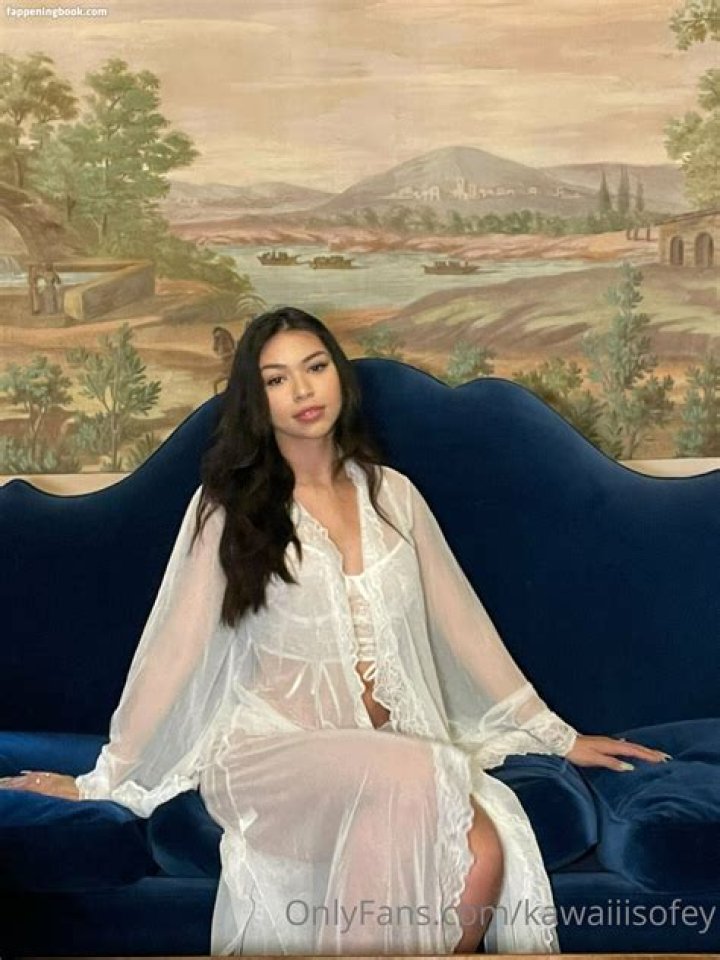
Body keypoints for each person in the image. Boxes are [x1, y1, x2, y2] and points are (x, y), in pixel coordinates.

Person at [0, 306, 671, 955]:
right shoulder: (229, 508)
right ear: (256, 400)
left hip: (393, 748)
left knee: (484, 855)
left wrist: (559, 736)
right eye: (277, 378)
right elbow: (175, 651)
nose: (302, 390)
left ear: (338, 377)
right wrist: (102, 779)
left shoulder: (393, 496)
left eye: (315, 367)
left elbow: (464, 626)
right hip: (270, 753)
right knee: (418, 773)